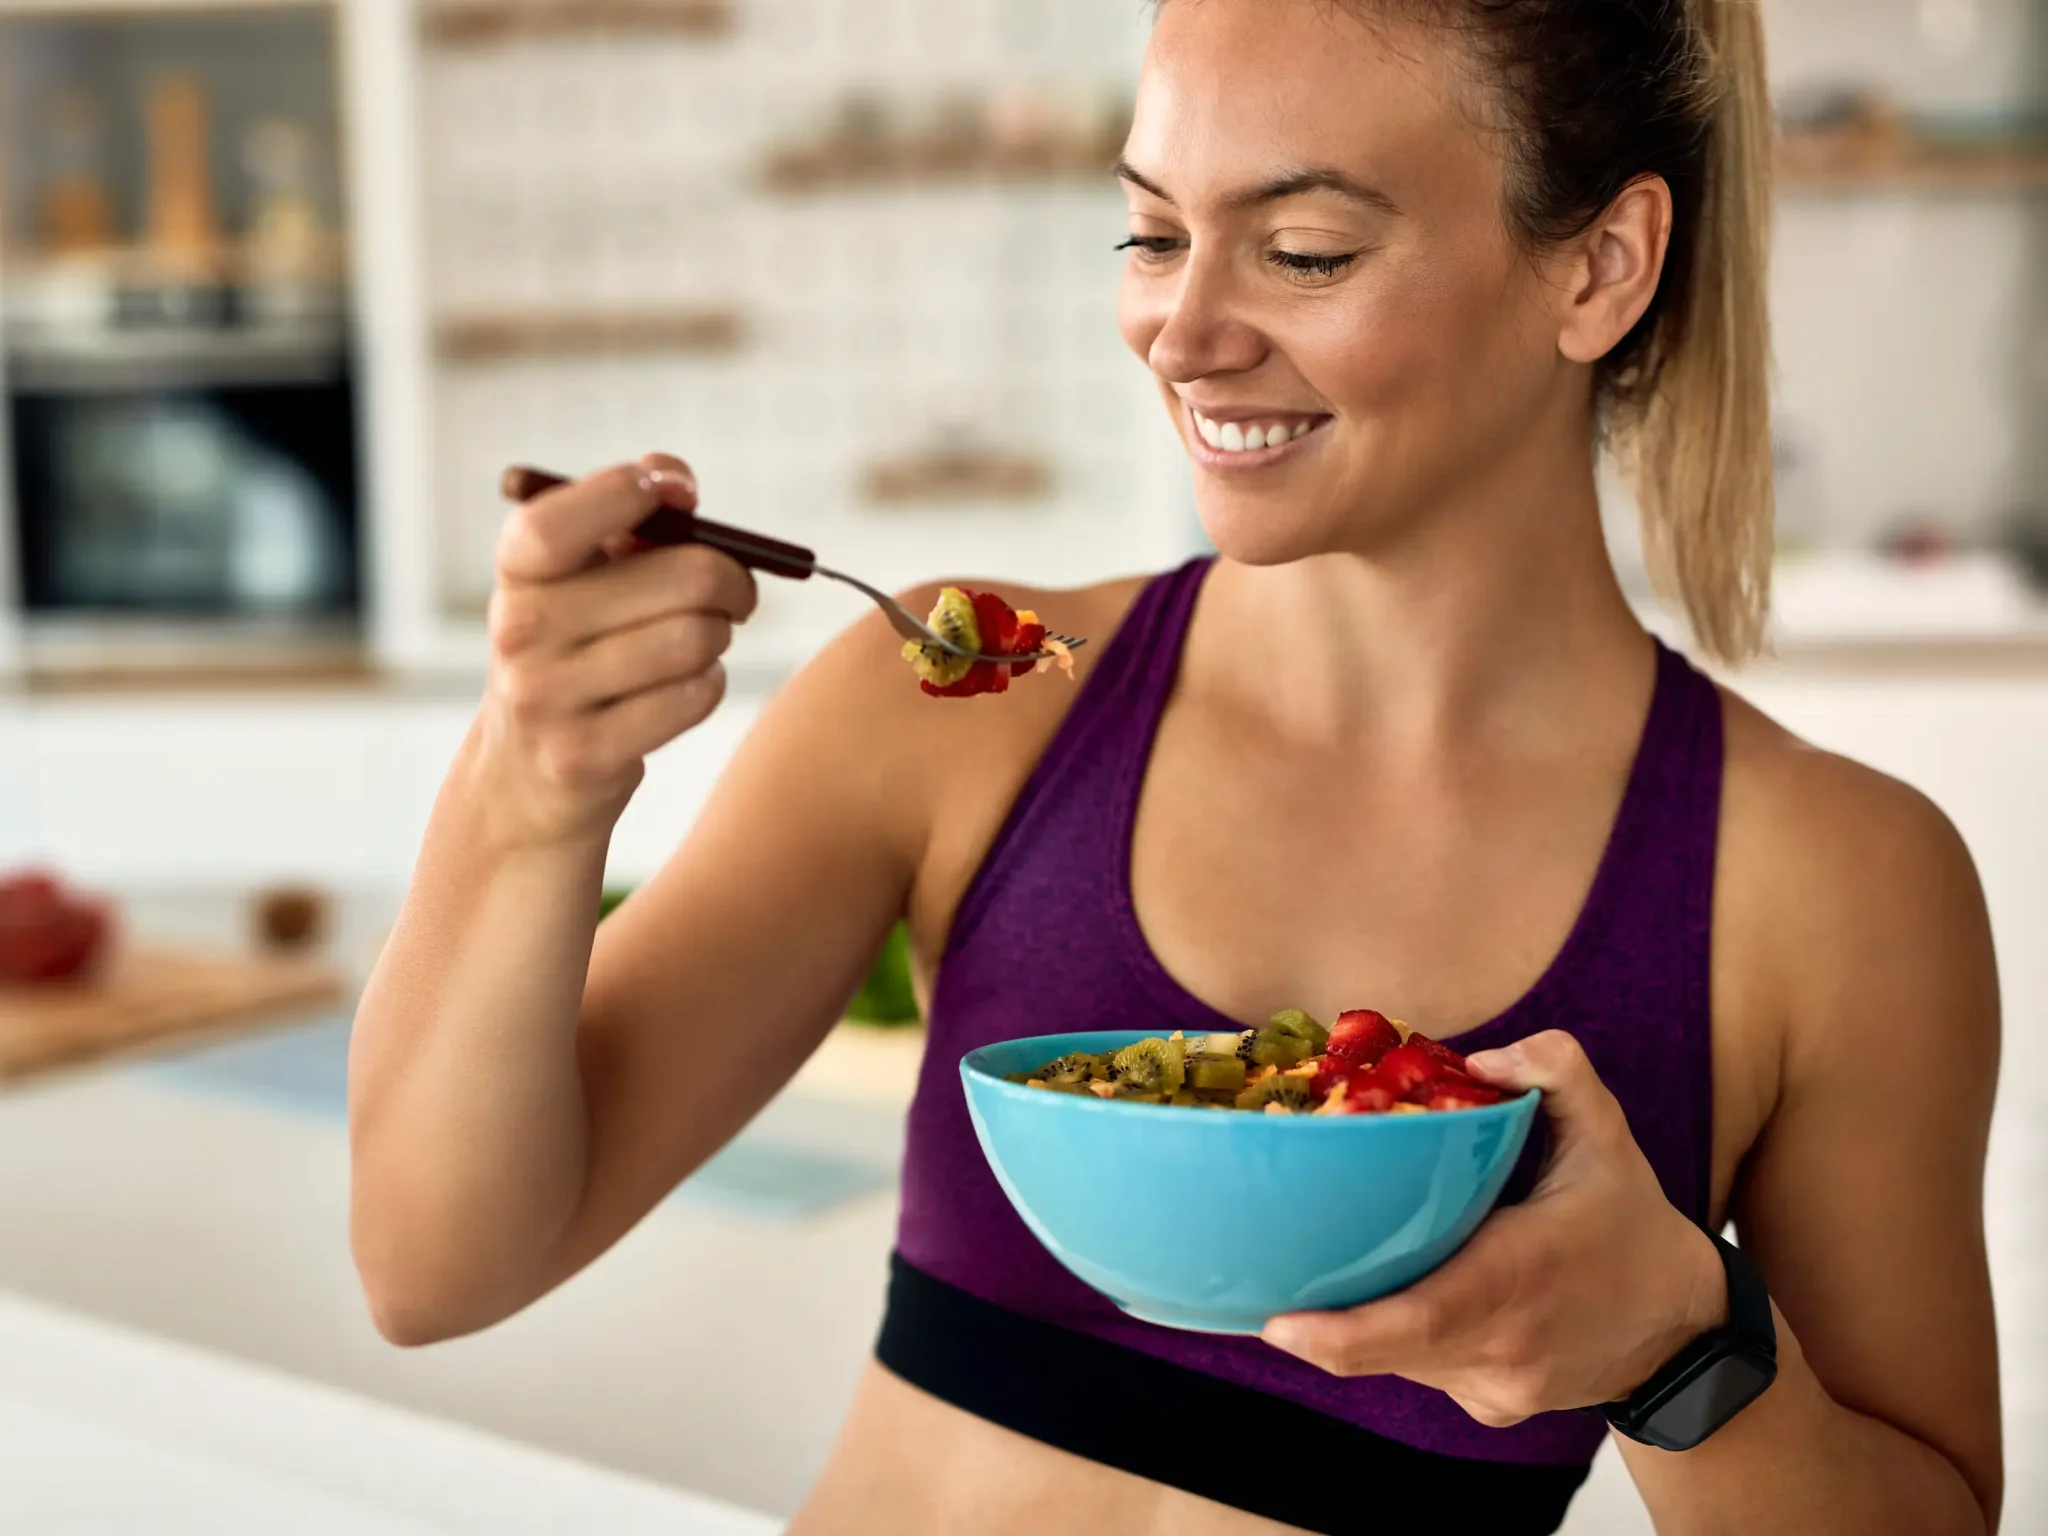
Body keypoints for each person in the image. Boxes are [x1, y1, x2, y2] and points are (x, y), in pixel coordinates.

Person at [346, 0, 2004, 1530]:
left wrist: (1679, 1348)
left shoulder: (1832, 887)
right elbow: (434, 1267)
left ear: (1600, 268)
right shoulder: (964, 699)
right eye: (1150, 234)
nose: (1182, 332)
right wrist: (532, 784)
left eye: (1302, 250)